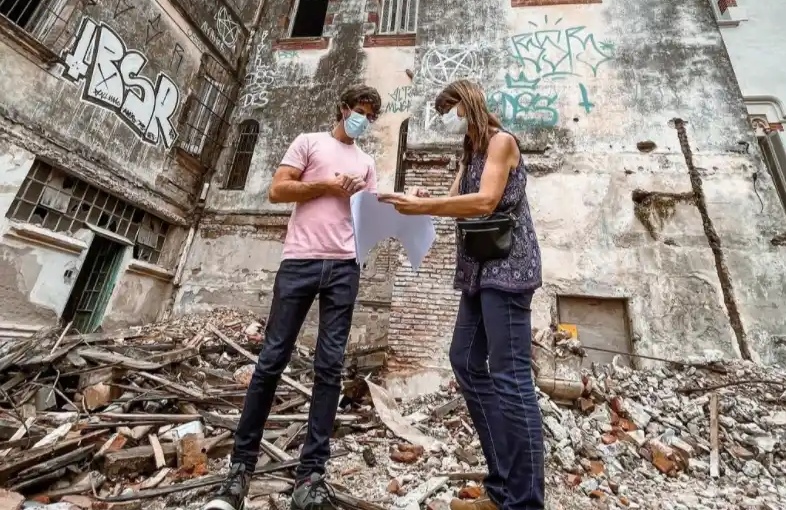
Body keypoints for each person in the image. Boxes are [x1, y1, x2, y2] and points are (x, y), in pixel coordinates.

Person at [203, 85, 382, 510]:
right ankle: (239, 472)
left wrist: (377, 199)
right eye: (360, 111)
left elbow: (369, 216)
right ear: (343, 108)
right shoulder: (308, 142)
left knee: (330, 368)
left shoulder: (367, 162)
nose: (364, 121)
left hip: (344, 267)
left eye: (371, 117)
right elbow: (278, 190)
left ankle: (310, 478)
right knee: (271, 360)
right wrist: (326, 186)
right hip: (300, 261)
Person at [379, 79, 544, 510]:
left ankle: (525, 501)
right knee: (465, 361)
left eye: (450, 111)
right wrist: (419, 198)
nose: (449, 121)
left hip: (508, 268)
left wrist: (425, 206)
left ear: (468, 106)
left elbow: (484, 201)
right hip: (478, 269)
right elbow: (454, 199)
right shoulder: (471, 151)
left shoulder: (502, 142)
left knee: (511, 377)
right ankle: (502, 488)